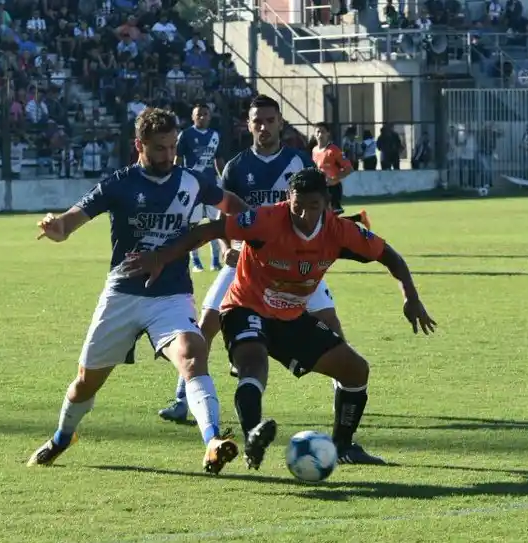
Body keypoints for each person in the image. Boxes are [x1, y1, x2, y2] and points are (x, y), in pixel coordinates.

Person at [125, 167, 437, 466]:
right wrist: (160, 257)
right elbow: (209, 229)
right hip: (245, 307)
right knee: (253, 363)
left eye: (313, 206)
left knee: (355, 371)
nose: (303, 215)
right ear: (288, 200)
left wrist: (411, 297)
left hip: (290, 317)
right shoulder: (265, 220)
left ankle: (343, 446)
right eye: (297, 206)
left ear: (327, 205)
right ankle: (252, 438)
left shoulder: (340, 231)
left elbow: (389, 255)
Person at [27, 108, 248, 474]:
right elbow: (69, 223)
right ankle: (62, 438)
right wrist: (55, 226)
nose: (168, 156)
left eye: (173, 146)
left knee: (193, 352)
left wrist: (246, 231)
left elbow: (232, 206)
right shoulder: (119, 183)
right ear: (139, 145)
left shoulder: (192, 181)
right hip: (123, 295)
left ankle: (212, 441)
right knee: (85, 385)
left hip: (171, 296)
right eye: (159, 148)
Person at [157, 95, 354, 423]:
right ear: (248, 126)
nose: (263, 126)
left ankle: (344, 399)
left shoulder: (299, 162)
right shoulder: (236, 167)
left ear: (280, 123)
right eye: (257, 121)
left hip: (296, 265)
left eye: (269, 120)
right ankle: (182, 398)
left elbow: (322, 212)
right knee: (205, 325)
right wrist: (225, 247)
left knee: (332, 326)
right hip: (247, 263)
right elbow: (223, 212)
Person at [176, 103, 225, 272]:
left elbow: (218, 160)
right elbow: (178, 159)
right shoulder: (186, 135)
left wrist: (223, 179)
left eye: (205, 114)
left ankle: (215, 260)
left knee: (215, 224)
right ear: (193, 116)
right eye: (199, 114)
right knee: (193, 224)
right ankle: (195, 261)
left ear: (210, 116)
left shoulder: (215, 136)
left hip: (211, 185)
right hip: (192, 186)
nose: (202, 117)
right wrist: (178, 181)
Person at [312, 121, 369, 226]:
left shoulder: (334, 150)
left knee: (329, 222)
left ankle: (359, 219)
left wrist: (334, 178)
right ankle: (360, 217)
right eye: (318, 132)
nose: (320, 135)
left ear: (328, 133)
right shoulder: (314, 151)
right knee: (325, 221)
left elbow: (349, 169)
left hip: (333, 190)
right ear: (314, 134)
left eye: (323, 132)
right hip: (321, 189)